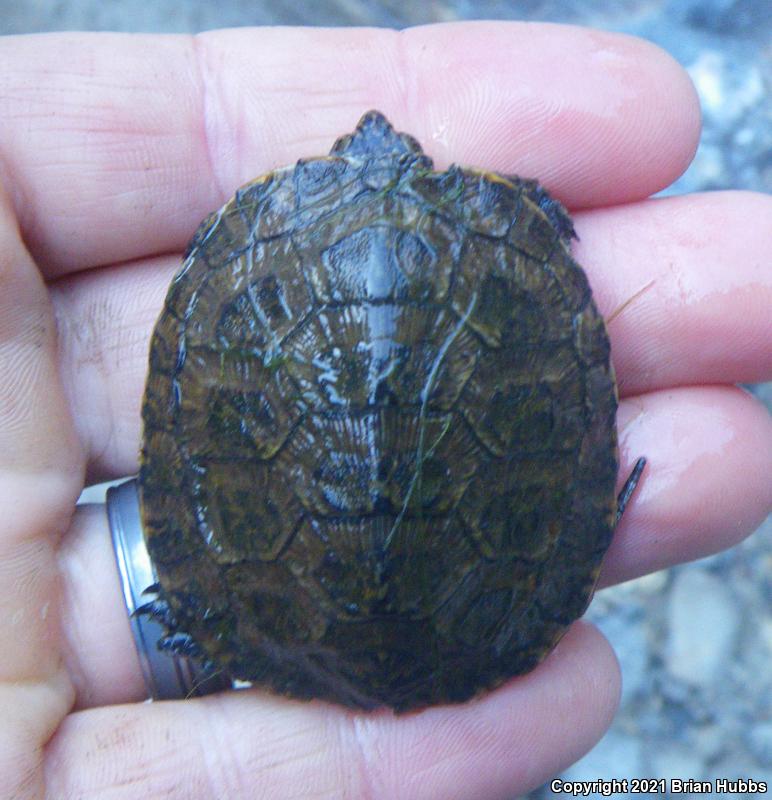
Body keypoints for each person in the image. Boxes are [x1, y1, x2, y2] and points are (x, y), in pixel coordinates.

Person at [1, 21, 770, 799]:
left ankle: (216, 620)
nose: (375, 134)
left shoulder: (256, 228)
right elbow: (541, 249)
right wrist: (531, 210)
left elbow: (203, 326)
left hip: (272, 609)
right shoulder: (497, 219)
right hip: (475, 614)